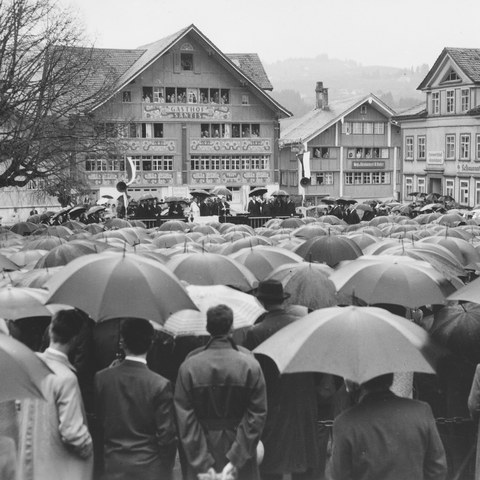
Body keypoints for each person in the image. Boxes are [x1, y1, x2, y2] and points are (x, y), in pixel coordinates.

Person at [174, 304, 267, 480]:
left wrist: (202, 462)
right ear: (231, 327)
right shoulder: (250, 365)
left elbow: (185, 420)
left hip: (202, 446)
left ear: (208, 328)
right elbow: (256, 416)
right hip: (240, 446)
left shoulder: (189, 366)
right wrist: (236, 459)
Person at [243, 280, 321, 480]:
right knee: (302, 459)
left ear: (262, 301)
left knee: (271, 463)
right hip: (303, 400)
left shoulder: (255, 332)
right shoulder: (302, 324)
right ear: (282, 300)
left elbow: (252, 372)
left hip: (272, 402)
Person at [94, 318, 177, 480]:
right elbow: (166, 435)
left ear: (122, 342)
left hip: (113, 464)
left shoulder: (102, 378)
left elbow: (100, 423)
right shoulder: (160, 384)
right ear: (150, 343)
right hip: (149, 467)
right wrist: (166, 468)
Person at [18, 310, 93, 480]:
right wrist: (89, 447)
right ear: (75, 339)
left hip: (28, 464)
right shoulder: (67, 378)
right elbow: (72, 432)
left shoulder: (30, 363)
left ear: (50, 331)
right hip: (54, 467)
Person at [330, 373, 447, 480]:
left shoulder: (345, 422)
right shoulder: (421, 411)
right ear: (391, 378)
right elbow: (437, 468)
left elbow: (339, 476)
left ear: (359, 383)